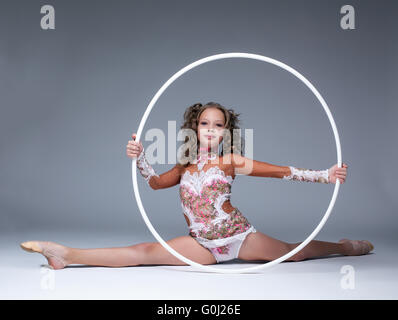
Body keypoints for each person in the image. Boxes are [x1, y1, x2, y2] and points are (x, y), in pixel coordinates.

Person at [20, 102, 373, 269]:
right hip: (202, 245)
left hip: (239, 238)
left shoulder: (230, 160)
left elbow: (281, 172)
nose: (210, 129)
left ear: (224, 132)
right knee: (143, 252)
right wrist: (140, 156)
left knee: (295, 252)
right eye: (205, 123)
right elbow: (156, 184)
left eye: (217, 125)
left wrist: (325, 175)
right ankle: (64, 254)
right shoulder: (184, 166)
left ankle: (344, 247)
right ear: (195, 127)